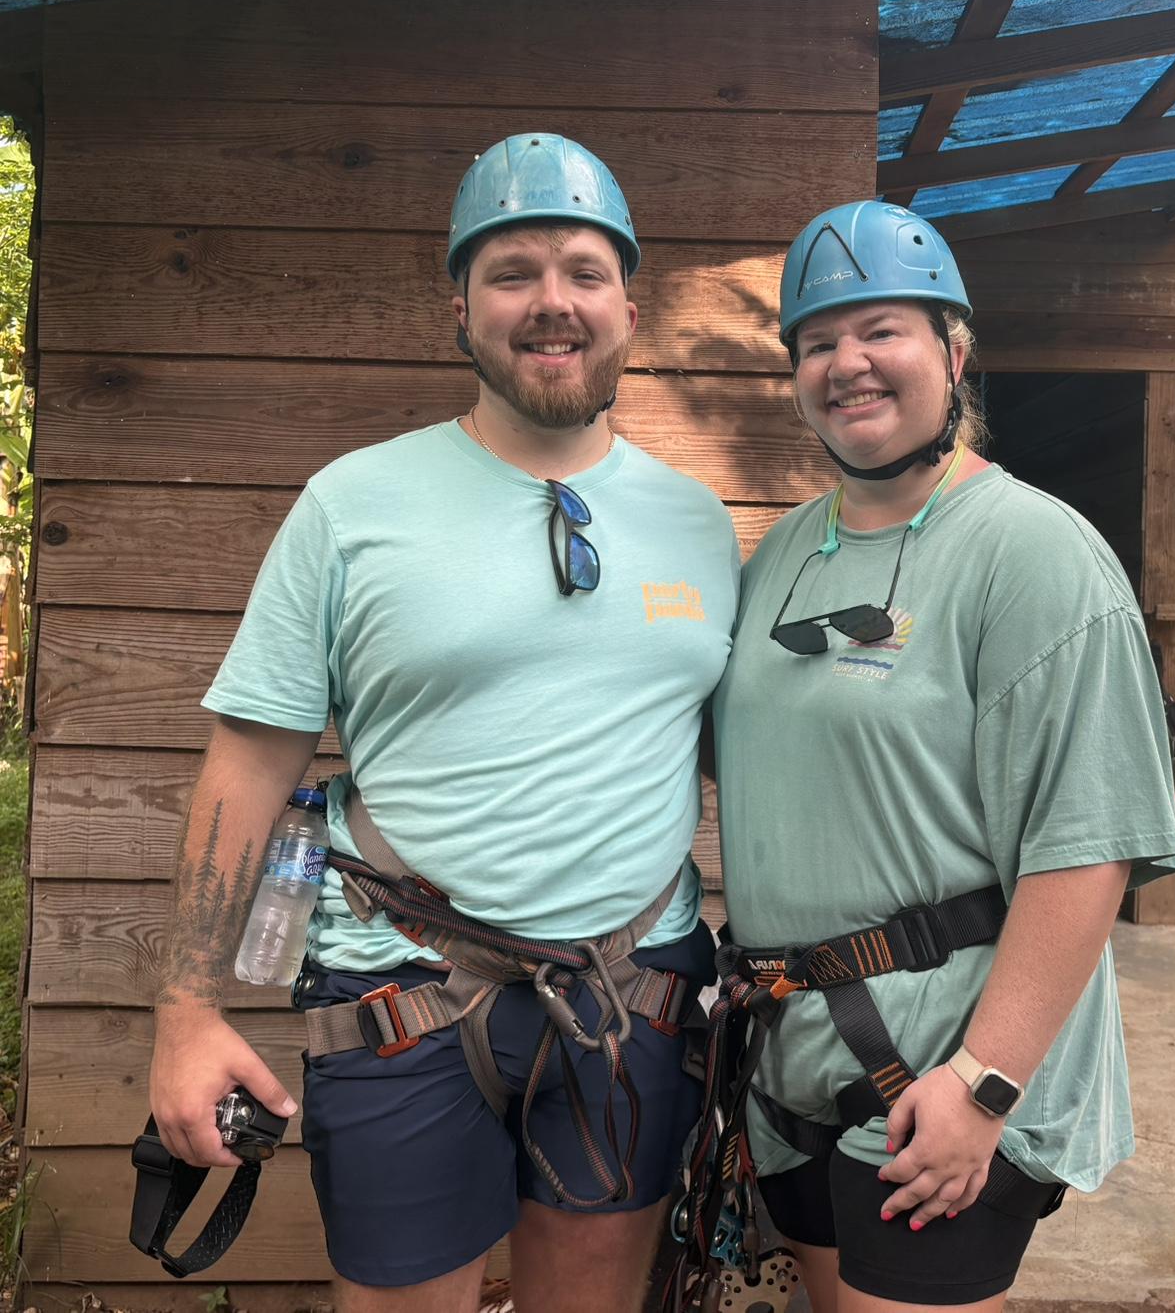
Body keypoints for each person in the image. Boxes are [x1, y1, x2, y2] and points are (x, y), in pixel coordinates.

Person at [148, 133, 740, 1312]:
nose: (552, 301)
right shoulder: (354, 504)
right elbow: (250, 759)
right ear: (459, 309)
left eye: (582, 269)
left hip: (631, 1002)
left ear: (631, 305)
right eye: (512, 271)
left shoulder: (698, 526)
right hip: (400, 999)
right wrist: (186, 1009)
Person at [711, 200, 1175, 1312]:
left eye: (882, 330)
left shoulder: (1033, 552)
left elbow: (1092, 843)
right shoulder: (783, 550)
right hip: (795, 1057)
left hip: (949, 1065)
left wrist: (987, 1081)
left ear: (954, 353)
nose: (848, 364)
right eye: (818, 341)